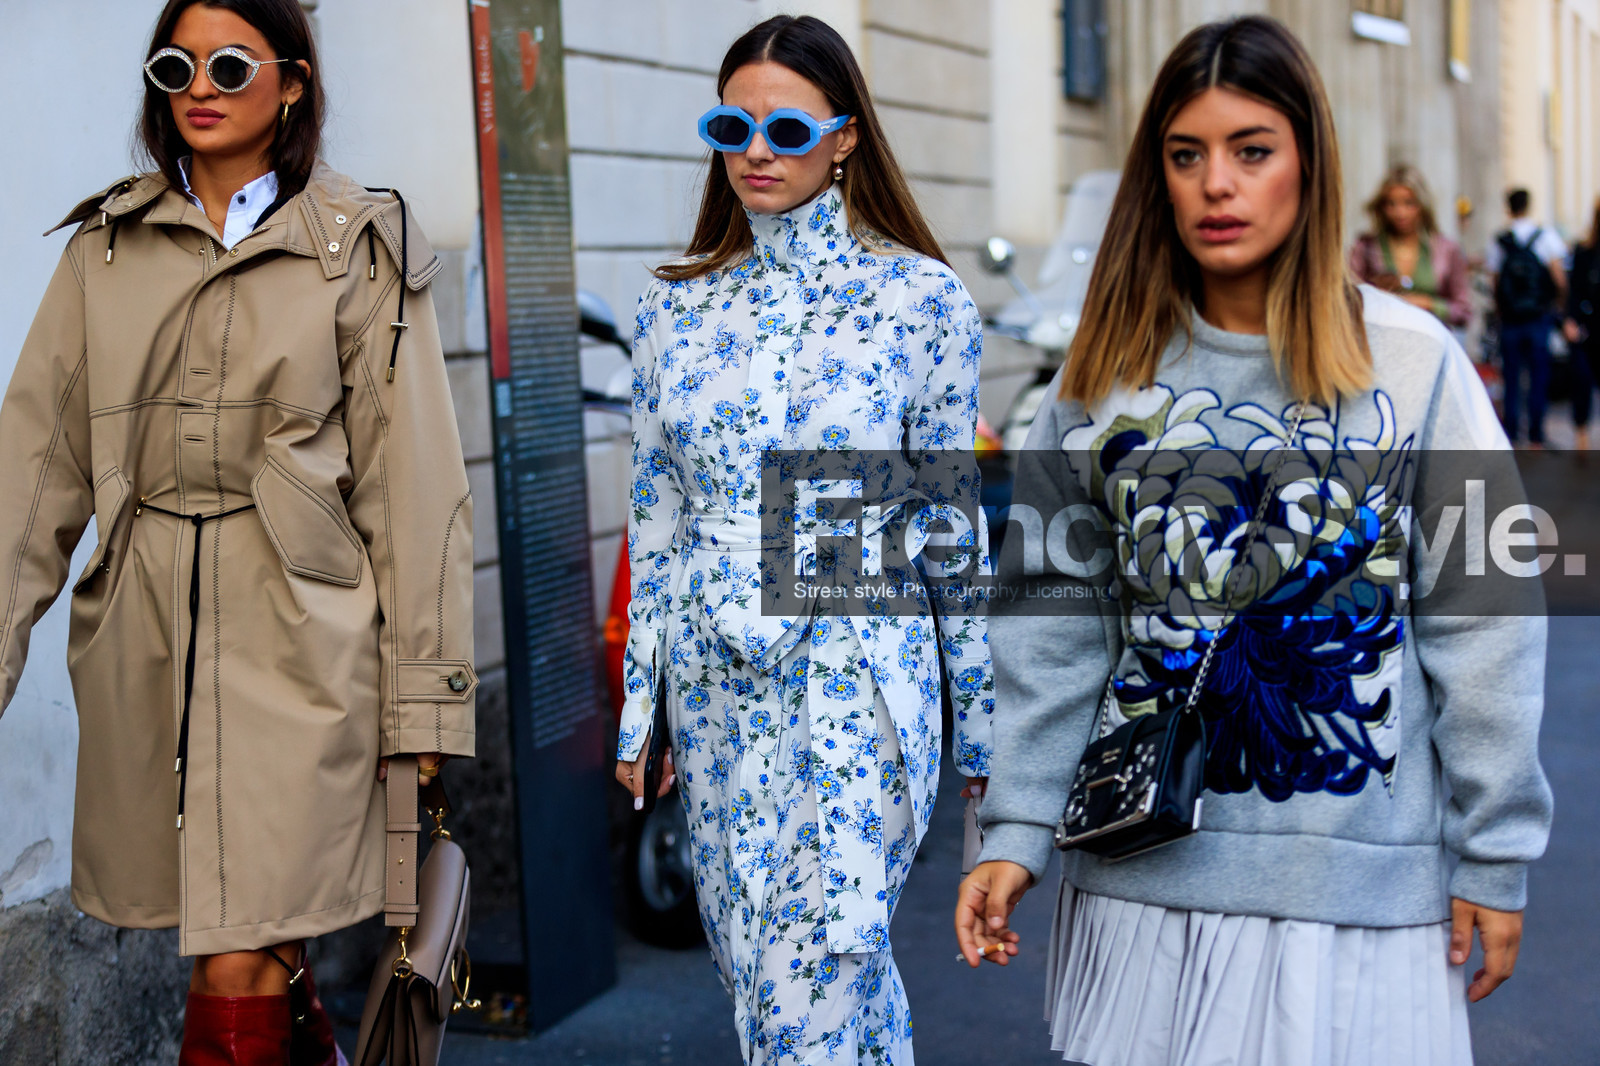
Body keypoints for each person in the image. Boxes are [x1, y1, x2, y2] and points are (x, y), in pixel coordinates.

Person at [956, 16, 1551, 1066]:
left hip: (1352, 892)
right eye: (1185, 156)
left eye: (1251, 150)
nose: (1215, 185)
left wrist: (1491, 854)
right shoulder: (1097, 379)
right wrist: (1012, 828)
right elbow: (1050, 631)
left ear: (1308, 166)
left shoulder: (1412, 362)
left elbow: (1484, 622)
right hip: (1144, 875)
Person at [0, 1, 476, 1062]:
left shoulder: (359, 245)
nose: (199, 87)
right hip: (142, 646)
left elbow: (418, 493)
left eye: (228, 63)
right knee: (242, 936)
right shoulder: (105, 252)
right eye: (177, 65)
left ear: (294, 83)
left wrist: (424, 709)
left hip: (305, 649)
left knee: (241, 950)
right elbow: (29, 482)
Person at [615, 15, 994, 1063]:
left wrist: (982, 734)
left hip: (856, 672)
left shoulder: (920, 301)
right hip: (712, 680)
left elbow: (947, 529)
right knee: (759, 972)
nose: (755, 151)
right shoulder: (670, 310)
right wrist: (637, 703)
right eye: (733, 125)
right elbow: (656, 517)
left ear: (845, 138)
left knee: (821, 970)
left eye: (786, 127)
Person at [1489, 187, 1568, 446]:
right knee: (1538, 377)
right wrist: (1557, 305)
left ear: (1508, 208)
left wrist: (1501, 310)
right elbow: (1559, 277)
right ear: (1529, 205)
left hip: (1511, 320)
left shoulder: (1501, 240)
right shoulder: (1545, 236)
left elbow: (1495, 281)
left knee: (1510, 377)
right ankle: (1536, 435)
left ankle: (1511, 433)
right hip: (1537, 318)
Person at [1349, 164, 1472, 330]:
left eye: (1409, 203)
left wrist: (1428, 304)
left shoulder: (1446, 249)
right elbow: (1347, 299)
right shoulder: (1366, 247)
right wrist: (1374, 289)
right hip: (1381, 342)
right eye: (1391, 204)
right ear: (1381, 207)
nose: (1400, 213)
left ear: (1421, 205)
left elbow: (1464, 311)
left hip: (1432, 340)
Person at [1562, 199, 1600, 451]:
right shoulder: (1585, 251)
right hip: (1586, 329)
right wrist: (1569, 320)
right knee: (1582, 382)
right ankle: (1581, 436)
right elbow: (1573, 291)